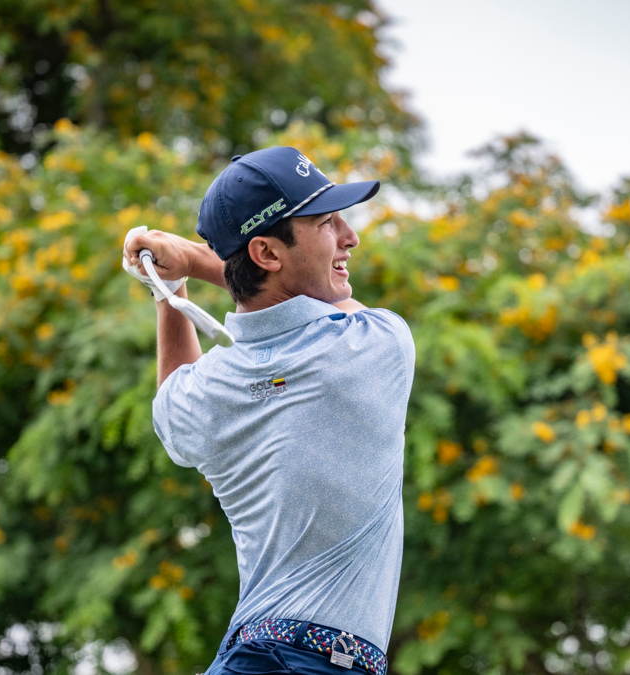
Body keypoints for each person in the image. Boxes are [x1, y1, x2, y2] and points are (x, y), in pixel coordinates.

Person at [122, 147, 415, 675]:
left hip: (245, 654)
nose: (350, 237)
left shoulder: (206, 391)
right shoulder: (374, 345)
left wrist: (170, 288)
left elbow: (172, 402)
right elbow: (327, 303)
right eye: (327, 223)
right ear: (267, 253)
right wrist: (184, 263)